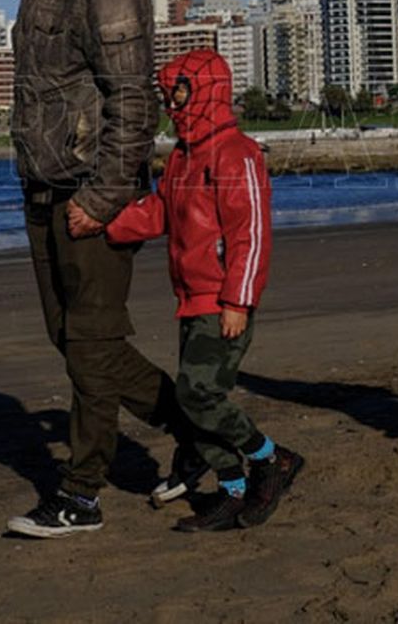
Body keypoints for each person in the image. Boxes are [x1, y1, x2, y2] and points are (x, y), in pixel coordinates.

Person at [0, 0, 193, 538]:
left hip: (89, 194)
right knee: (75, 340)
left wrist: (105, 196)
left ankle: (80, 494)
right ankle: (202, 434)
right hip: (43, 190)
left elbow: (133, 99)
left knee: (89, 344)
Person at [107, 50, 304, 531]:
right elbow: (161, 213)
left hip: (222, 302)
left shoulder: (237, 153)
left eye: (180, 90)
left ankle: (270, 458)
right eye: (169, 91)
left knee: (198, 396)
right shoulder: (181, 157)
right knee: (196, 403)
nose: (172, 100)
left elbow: (250, 234)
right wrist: (109, 224)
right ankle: (234, 490)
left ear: (205, 92)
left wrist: (237, 301)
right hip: (190, 300)